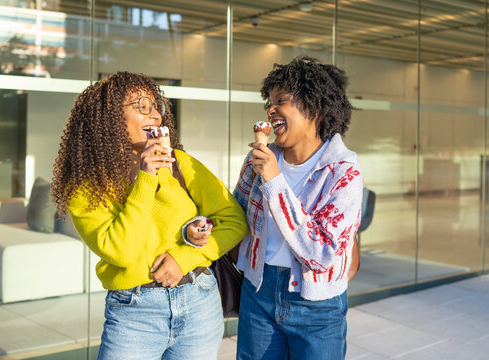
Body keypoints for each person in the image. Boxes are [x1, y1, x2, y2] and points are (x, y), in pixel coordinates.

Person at [51, 71, 248, 360]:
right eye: (141, 106)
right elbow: (121, 252)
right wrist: (146, 179)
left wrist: (184, 258)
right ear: (110, 118)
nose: (155, 114)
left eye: (156, 106)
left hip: (199, 301)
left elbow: (234, 221)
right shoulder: (87, 187)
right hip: (134, 315)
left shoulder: (180, 164)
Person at [233, 56, 363, 360]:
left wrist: (275, 181)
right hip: (259, 293)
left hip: (316, 306)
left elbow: (321, 254)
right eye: (269, 102)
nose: (271, 109)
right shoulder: (258, 162)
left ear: (315, 107)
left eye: (282, 101)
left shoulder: (344, 172)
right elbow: (234, 217)